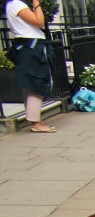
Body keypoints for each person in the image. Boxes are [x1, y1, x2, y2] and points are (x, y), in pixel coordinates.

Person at [5, 0, 56, 132]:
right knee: (36, 83)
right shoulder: (17, 5)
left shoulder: (11, 5)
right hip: (32, 48)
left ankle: (33, 119)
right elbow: (39, 22)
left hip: (26, 47)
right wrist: (36, 3)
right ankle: (36, 123)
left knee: (30, 84)